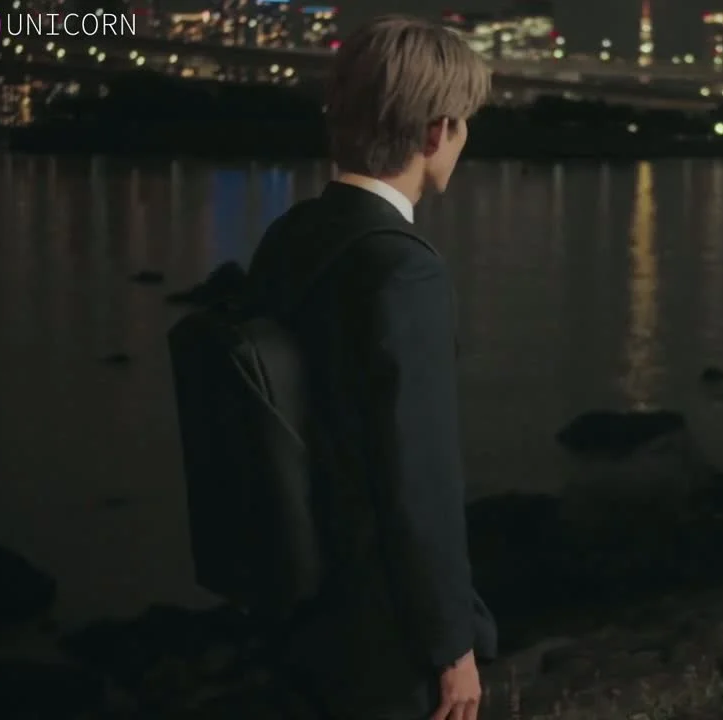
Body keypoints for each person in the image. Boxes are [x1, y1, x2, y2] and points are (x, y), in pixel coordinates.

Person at [243, 16, 497, 720]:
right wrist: (451, 646)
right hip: (382, 630)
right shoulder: (402, 267)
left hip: (295, 598)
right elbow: (419, 476)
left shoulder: (293, 235)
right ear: (435, 133)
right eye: (464, 124)